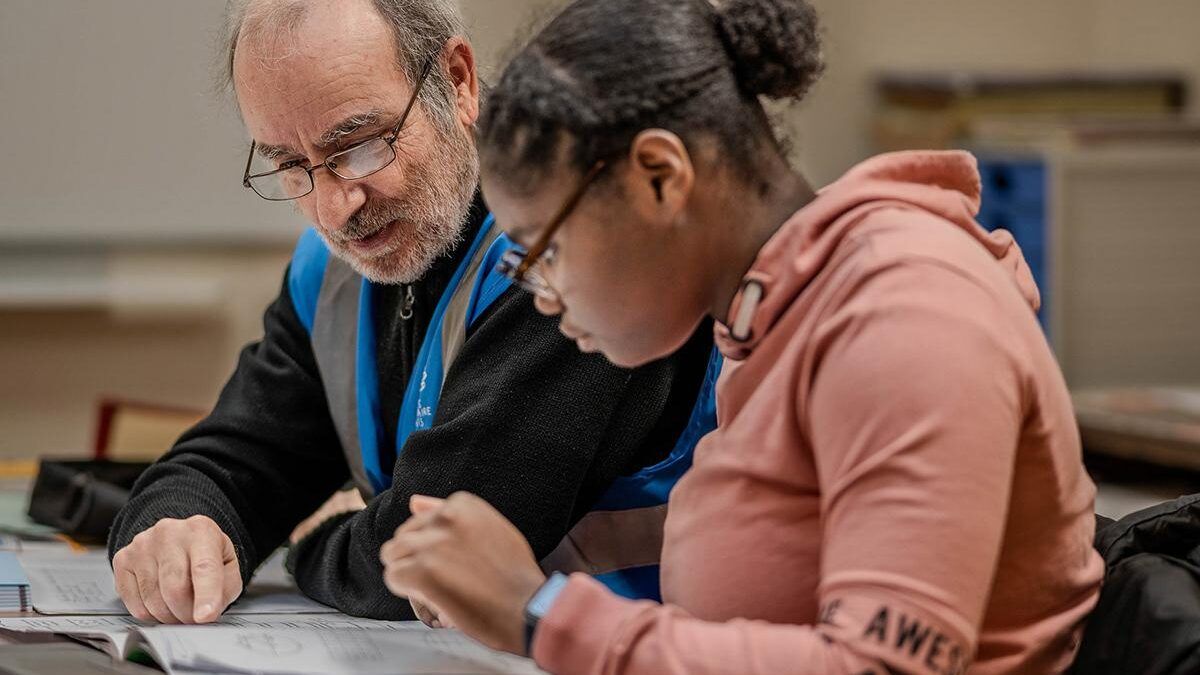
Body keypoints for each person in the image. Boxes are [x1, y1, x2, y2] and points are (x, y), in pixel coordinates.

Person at [378, 0, 1105, 672]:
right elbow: (812, 519)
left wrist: (539, 615)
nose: (541, 292)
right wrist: (575, 550)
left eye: (545, 251)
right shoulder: (775, 308)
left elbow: (882, 664)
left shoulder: (906, 315)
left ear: (660, 176)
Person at [106, 0, 718, 625]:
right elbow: (238, 457)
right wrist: (179, 524)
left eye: (360, 145)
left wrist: (308, 542)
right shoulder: (335, 271)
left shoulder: (575, 252)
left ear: (457, 82)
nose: (334, 210)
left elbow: (423, 559)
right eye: (291, 165)